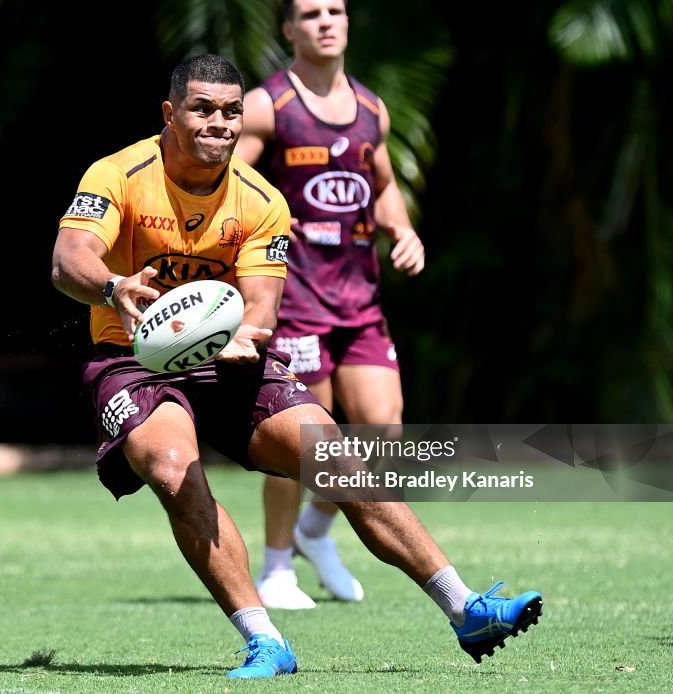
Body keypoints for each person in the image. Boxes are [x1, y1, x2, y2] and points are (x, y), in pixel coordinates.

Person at [51, 53, 542, 680]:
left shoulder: (261, 200)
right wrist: (115, 286)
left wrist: (244, 338)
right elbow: (70, 260)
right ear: (170, 114)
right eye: (202, 109)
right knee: (175, 470)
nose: (219, 123)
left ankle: (466, 608)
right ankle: (265, 642)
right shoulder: (118, 173)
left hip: (228, 360)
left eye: (231, 112)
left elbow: (261, 305)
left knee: (337, 458)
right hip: (132, 359)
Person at [233, 0, 425, 610]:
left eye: (335, 10)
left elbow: (385, 183)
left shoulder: (372, 110)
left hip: (359, 299)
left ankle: (317, 531)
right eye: (310, 12)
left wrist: (403, 230)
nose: (325, 21)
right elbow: (227, 185)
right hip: (293, 300)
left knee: (382, 434)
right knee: (304, 442)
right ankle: (276, 568)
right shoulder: (269, 105)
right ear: (288, 29)